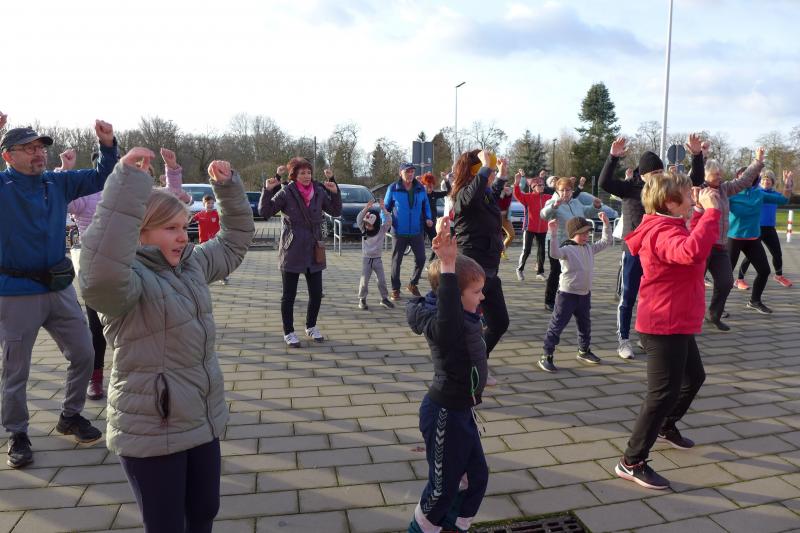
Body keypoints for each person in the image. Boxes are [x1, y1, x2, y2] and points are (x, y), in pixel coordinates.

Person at [79, 148, 254, 532]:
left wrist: (228, 190)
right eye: (170, 228)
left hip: (202, 419)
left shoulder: (192, 264)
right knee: (166, 525)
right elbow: (99, 274)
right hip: (151, 429)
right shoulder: (128, 283)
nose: (182, 236)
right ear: (139, 232)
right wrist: (125, 188)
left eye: (184, 226)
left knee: (204, 511)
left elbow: (234, 242)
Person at [0, 113, 117, 469]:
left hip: (59, 287)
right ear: (8, 156)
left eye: (41, 147)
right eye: (29, 148)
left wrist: (106, 145)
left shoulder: (57, 182)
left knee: (84, 352)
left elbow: (101, 176)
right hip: (15, 292)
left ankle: (70, 415)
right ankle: (17, 433)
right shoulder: (3, 186)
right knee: (16, 370)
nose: (39, 153)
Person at [615, 172, 721, 490]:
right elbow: (689, 251)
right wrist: (711, 212)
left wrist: (699, 212)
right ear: (670, 203)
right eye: (687, 195)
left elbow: (689, 239)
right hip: (664, 324)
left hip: (678, 321)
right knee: (661, 394)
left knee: (694, 378)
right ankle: (631, 461)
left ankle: (665, 426)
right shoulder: (660, 231)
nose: (693, 196)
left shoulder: (670, 224)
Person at [406, 217, 488, 533]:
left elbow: (470, 351)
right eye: (477, 291)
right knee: (442, 490)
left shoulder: (466, 315)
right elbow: (449, 325)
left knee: (476, 477)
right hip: (444, 414)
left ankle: (454, 526)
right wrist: (449, 266)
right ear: (453, 294)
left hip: (463, 411)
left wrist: (480, 377)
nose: (482, 297)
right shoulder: (443, 322)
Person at [599, 135, 705, 359]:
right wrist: (613, 157)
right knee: (628, 296)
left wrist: (697, 156)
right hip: (634, 251)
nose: (658, 176)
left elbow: (695, 179)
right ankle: (623, 339)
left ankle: (648, 336)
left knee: (653, 296)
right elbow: (604, 183)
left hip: (659, 252)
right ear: (643, 175)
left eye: (660, 171)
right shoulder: (630, 187)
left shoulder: (667, 187)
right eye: (653, 173)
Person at [259, 157, 341, 347]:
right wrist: (268, 190)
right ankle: (288, 332)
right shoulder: (286, 192)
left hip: (314, 248)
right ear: (294, 175)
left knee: (317, 293)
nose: (306, 176)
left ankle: (311, 326)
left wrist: (335, 192)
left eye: (309, 172)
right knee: (289, 296)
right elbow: (264, 212)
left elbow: (336, 211)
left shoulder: (319, 191)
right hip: (292, 249)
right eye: (302, 173)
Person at [451, 149, 509, 381]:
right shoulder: (462, 195)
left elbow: (488, 195)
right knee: (469, 326)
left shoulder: (483, 193)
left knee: (499, 323)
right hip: (472, 270)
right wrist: (486, 168)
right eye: (488, 171)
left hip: (489, 271)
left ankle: (477, 363)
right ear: (476, 172)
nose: (491, 174)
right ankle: (468, 370)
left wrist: (502, 176)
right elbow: (471, 198)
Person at [539, 213, 612, 373]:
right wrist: (553, 233)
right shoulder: (567, 249)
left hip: (585, 295)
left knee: (585, 325)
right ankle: (546, 355)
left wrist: (606, 225)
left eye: (588, 233)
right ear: (573, 234)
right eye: (582, 233)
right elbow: (554, 253)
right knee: (557, 325)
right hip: (567, 296)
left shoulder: (589, 248)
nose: (586, 236)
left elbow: (606, 242)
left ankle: (583, 350)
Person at [702, 147, 765, 330]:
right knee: (693, 285)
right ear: (706, 175)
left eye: (721, 174)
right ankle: (687, 320)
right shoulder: (698, 190)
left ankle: (713, 315)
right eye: (716, 174)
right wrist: (699, 156)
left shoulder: (724, 189)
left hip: (720, 246)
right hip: (702, 246)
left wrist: (758, 162)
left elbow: (743, 180)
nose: (720, 177)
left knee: (726, 282)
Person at [725, 168, 792, 314]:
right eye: (744, 177)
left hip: (753, 238)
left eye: (751, 177)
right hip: (734, 238)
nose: (747, 179)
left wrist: (787, 185)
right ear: (738, 178)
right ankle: (718, 307)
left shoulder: (759, 194)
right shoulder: (731, 194)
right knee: (726, 275)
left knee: (764, 271)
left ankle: (754, 301)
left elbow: (784, 199)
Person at [540, 178, 600, 312]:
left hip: (574, 244)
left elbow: (586, 212)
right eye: (562, 190)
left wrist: (595, 207)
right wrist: (554, 206)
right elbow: (543, 215)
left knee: (572, 271)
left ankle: (571, 299)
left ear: (572, 191)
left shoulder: (576, 202)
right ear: (557, 190)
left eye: (568, 190)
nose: (565, 193)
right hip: (557, 243)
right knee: (556, 271)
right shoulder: (553, 202)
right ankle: (549, 301)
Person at [736, 170, 794, 288]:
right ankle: (739, 279)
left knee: (777, 253)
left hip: (770, 229)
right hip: (756, 228)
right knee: (750, 256)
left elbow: (785, 198)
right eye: (763, 179)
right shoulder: (757, 193)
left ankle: (778, 276)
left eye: (768, 179)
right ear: (759, 181)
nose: (765, 181)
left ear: (772, 182)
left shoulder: (775, 194)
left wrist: (787, 184)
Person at [384, 163, 433, 300]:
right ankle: (395, 289)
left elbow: (426, 205)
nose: (410, 174)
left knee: (421, 259)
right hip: (399, 231)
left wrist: (428, 218)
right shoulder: (393, 188)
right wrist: (385, 220)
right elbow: (385, 208)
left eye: (412, 172)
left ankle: (413, 283)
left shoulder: (420, 188)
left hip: (417, 230)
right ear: (401, 173)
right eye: (407, 172)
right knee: (396, 261)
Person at [356, 199, 394, 310]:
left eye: (370, 225)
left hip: (377, 259)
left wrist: (384, 209)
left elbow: (389, 221)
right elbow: (359, 219)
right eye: (366, 224)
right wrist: (366, 208)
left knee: (381, 280)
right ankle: (362, 299)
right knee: (364, 281)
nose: (367, 226)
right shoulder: (363, 229)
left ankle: (384, 299)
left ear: (376, 225)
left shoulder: (381, 230)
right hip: (366, 260)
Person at [513, 171, 551, 281]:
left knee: (542, 251)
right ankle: (519, 269)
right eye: (539, 185)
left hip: (543, 228)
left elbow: (559, 197)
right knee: (527, 250)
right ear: (533, 187)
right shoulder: (527, 197)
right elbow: (517, 194)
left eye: (542, 185)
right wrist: (516, 183)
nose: (542, 186)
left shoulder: (548, 197)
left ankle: (540, 272)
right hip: (529, 227)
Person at [192, 195, 229, 285]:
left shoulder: (216, 214)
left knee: (217, 260)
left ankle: (222, 276)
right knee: (205, 260)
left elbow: (225, 220)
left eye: (212, 203)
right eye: (208, 203)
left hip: (215, 241)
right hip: (203, 242)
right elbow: (191, 220)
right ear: (204, 204)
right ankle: (204, 278)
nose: (210, 205)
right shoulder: (200, 214)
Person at [418, 172, 449, 261]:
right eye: (428, 186)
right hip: (422, 222)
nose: (430, 189)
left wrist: (446, 180)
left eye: (431, 186)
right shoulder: (420, 194)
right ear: (424, 185)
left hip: (432, 223)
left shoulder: (434, 194)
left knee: (436, 241)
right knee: (420, 243)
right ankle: (420, 260)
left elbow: (449, 191)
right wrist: (417, 183)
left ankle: (432, 259)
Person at [493, 159, 515, 260]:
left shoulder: (508, 191)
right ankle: (497, 253)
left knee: (511, 235)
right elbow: (495, 202)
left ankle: (502, 250)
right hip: (495, 216)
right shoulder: (494, 190)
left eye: (506, 182)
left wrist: (508, 195)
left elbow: (507, 204)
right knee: (497, 236)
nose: (505, 184)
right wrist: (501, 194)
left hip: (505, 217)